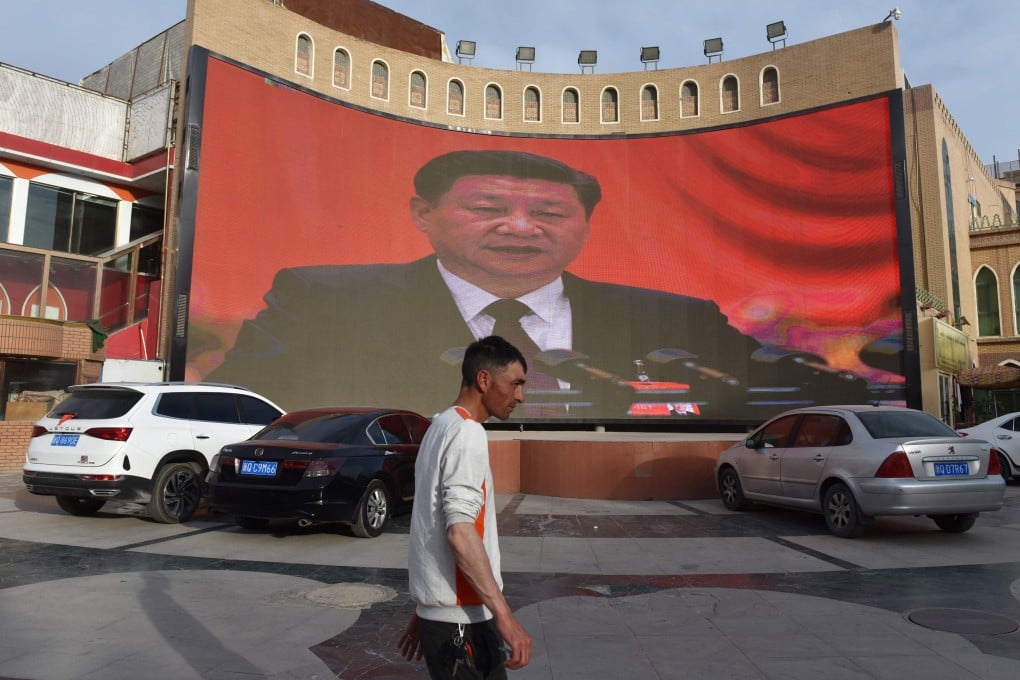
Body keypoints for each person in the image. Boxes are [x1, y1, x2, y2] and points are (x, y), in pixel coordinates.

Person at [207, 149, 870, 418]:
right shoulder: (321, 300)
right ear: (423, 214)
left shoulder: (677, 317)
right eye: (490, 208)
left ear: (585, 225)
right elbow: (245, 403)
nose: (520, 228)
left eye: (549, 213)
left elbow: (778, 384)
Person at [398, 335, 532, 677]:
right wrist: (506, 619)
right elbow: (459, 531)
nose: (520, 396)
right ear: (484, 379)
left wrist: (428, 607)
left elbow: (430, 522)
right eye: (515, 384)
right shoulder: (468, 433)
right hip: (463, 626)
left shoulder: (440, 425)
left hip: (446, 619)